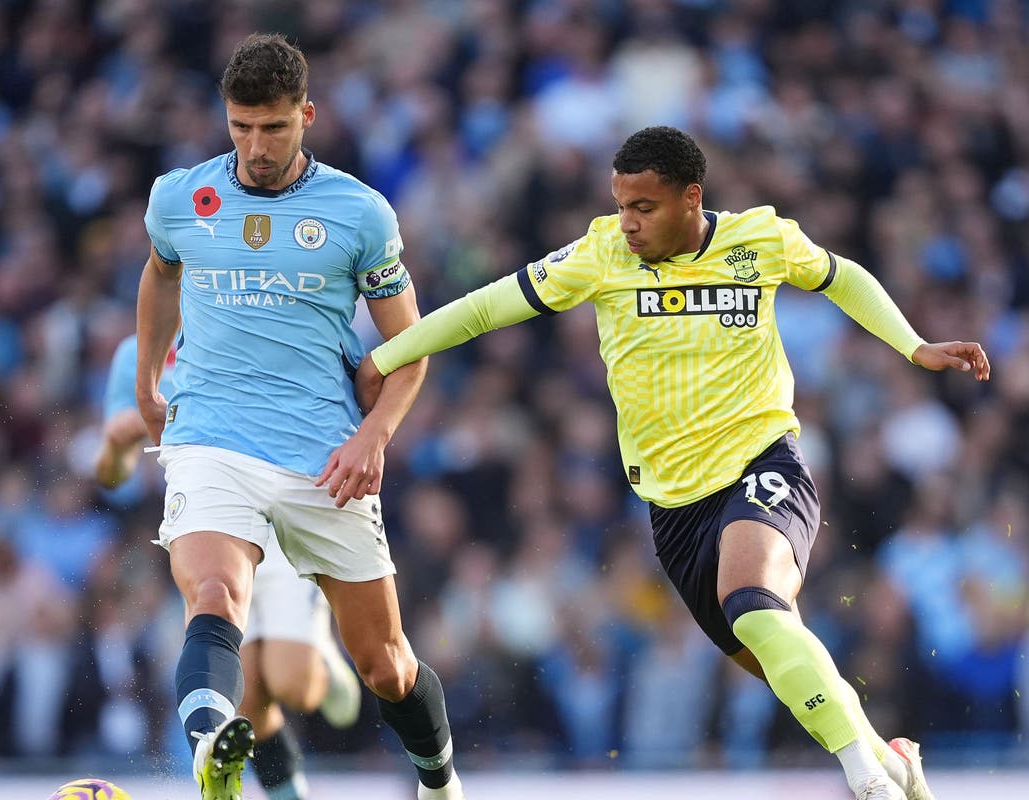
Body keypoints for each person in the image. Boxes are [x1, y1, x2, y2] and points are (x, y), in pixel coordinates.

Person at [358, 126, 990, 800]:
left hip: (763, 464)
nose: (626, 223)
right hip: (675, 510)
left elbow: (842, 276)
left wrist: (913, 345)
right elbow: (486, 308)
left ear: (692, 198)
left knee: (753, 603)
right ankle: (895, 766)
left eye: (644, 208)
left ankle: (869, 784)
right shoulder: (599, 255)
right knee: (776, 653)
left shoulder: (760, 239)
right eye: (620, 205)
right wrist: (385, 357)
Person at [135, 33, 464, 800]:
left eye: (273, 128)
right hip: (208, 437)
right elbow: (159, 275)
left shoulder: (358, 212)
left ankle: (442, 785)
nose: (254, 146)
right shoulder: (180, 197)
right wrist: (149, 384)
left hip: (323, 455)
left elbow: (411, 347)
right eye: (240, 127)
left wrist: (372, 436)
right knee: (212, 595)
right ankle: (213, 746)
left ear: (306, 115)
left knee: (385, 663)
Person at [96, 332, 362, 799]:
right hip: (206, 523)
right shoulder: (136, 355)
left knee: (293, 686)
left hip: (279, 517)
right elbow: (111, 477)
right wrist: (118, 444)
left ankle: (320, 649)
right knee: (246, 701)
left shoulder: (249, 319)